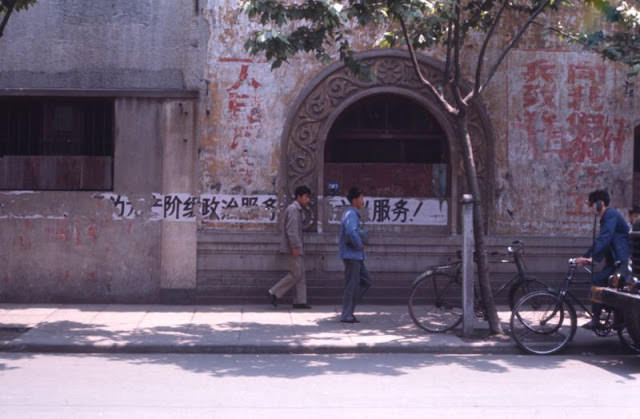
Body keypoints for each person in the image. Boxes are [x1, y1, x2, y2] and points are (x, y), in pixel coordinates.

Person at [574, 189, 630, 330]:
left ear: (600, 203)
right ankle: (613, 319)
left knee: (598, 282)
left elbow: (605, 239)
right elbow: (601, 242)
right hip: (614, 262)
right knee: (602, 284)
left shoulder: (610, 215)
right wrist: (586, 257)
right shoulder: (607, 218)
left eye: (592, 204)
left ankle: (599, 320)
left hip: (622, 262)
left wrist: (589, 258)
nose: (591, 208)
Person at [268, 185, 312, 309]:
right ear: (299, 197)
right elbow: (291, 230)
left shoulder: (297, 209)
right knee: (296, 273)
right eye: (306, 197)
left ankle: (300, 301)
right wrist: (295, 247)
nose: (307, 200)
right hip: (293, 247)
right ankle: (274, 292)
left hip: (297, 246)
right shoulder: (293, 209)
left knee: (300, 273)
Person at [338, 187, 372, 323]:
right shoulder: (351, 214)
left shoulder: (352, 213)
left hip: (356, 256)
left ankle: (349, 310)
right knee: (351, 285)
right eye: (361, 197)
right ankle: (347, 314)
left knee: (366, 281)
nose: (363, 200)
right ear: (355, 199)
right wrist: (359, 245)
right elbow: (351, 232)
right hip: (352, 255)